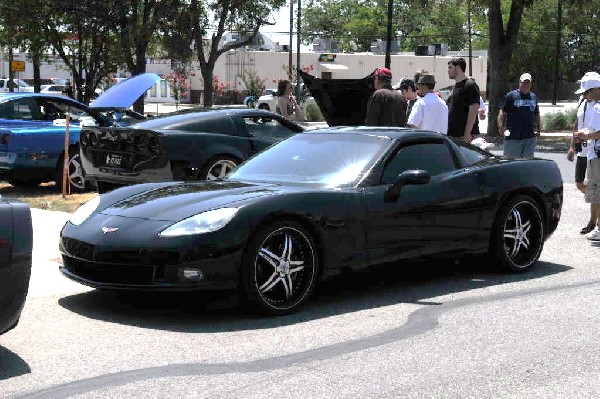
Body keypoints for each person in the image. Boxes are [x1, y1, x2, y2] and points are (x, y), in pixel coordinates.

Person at [568, 82, 597, 234]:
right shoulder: (582, 100)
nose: (585, 94)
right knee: (580, 184)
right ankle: (595, 208)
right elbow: (577, 124)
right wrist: (572, 145)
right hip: (582, 150)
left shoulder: (598, 104)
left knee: (594, 186)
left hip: (594, 151)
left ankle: (593, 221)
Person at [575, 72, 600, 241]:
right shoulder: (593, 104)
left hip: (597, 154)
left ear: (595, 89)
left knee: (597, 190)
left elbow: (598, 133)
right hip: (594, 153)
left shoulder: (598, 106)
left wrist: (585, 136)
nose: (584, 96)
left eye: (586, 92)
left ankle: (598, 228)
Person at [497, 73, 541, 158]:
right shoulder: (511, 96)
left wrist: (538, 128)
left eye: (528, 83)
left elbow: (536, 113)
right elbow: (502, 111)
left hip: (529, 137)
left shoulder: (533, 97)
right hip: (513, 137)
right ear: (519, 83)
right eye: (524, 82)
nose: (526, 85)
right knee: (511, 163)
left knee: (526, 164)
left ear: (531, 84)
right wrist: (500, 126)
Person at [446, 58, 480, 142]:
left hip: (463, 136)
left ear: (457, 68)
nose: (448, 71)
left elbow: (473, 110)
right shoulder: (455, 87)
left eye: (450, 68)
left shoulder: (470, 85)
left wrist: (467, 133)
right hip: (453, 134)